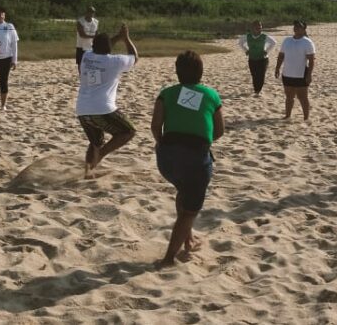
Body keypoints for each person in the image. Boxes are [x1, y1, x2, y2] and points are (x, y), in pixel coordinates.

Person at [150, 50, 225, 267]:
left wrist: (162, 143)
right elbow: (219, 130)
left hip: (167, 159)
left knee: (184, 192)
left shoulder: (167, 93)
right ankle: (168, 258)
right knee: (190, 209)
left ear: (177, 72)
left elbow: (156, 126)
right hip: (195, 158)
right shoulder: (211, 95)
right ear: (201, 72)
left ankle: (188, 237)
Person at [76, 23, 138, 176]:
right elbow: (134, 57)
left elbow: (103, 45)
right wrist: (126, 39)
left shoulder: (87, 56)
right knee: (129, 131)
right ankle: (101, 155)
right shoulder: (114, 62)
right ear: (109, 48)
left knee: (95, 142)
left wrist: (118, 36)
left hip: (82, 109)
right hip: (103, 109)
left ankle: (87, 171)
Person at [274, 20, 316, 120]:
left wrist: (309, 74)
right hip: (287, 73)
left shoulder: (307, 42)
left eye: (299, 26)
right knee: (289, 97)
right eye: (295, 26)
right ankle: (287, 115)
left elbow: (311, 60)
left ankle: (306, 117)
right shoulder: (287, 40)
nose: (296, 28)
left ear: (304, 29)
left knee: (303, 97)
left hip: (301, 74)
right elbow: (281, 56)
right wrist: (277, 68)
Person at [237, 21, 277, 97]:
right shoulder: (247, 36)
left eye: (260, 27)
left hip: (263, 59)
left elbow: (274, 42)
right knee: (254, 75)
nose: (259, 29)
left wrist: (267, 50)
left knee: (261, 75)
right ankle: (256, 90)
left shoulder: (264, 36)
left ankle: (258, 91)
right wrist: (246, 50)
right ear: (252, 28)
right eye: (257, 27)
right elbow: (240, 42)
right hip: (252, 59)